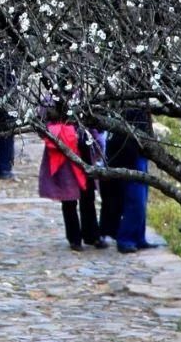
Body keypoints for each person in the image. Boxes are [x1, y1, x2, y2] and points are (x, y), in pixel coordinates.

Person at [37, 119, 107, 250]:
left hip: (83, 143)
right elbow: (41, 124)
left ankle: (92, 235)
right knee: (68, 197)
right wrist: (57, 132)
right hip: (62, 147)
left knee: (88, 193)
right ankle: (74, 238)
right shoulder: (48, 100)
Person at [101, 107, 160, 253]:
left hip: (139, 150)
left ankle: (138, 236)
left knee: (141, 197)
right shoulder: (124, 102)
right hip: (128, 151)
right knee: (135, 199)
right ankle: (126, 238)